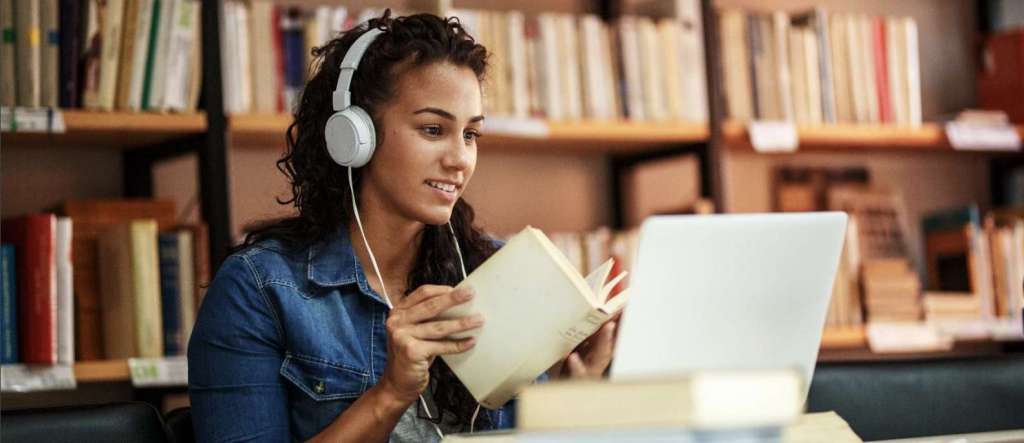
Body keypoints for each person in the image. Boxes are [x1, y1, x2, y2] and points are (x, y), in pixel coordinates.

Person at [187, 11, 617, 443]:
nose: (460, 159)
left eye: (470, 134)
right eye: (433, 129)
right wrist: (390, 393)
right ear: (355, 137)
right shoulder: (259, 290)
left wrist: (571, 394)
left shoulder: (497, 272)